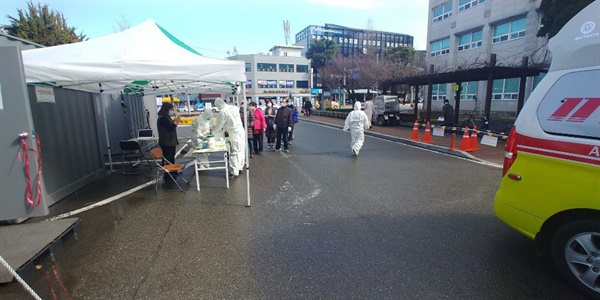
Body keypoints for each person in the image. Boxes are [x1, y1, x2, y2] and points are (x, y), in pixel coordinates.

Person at [213, 98, 246, 179]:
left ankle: (234, 171)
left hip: (234, 134)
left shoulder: (223, 112)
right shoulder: (233, 107)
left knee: (235, 152)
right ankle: (240, 167)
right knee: (241, 150)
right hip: (241, 131)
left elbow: (219, 126)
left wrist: (214, 131)